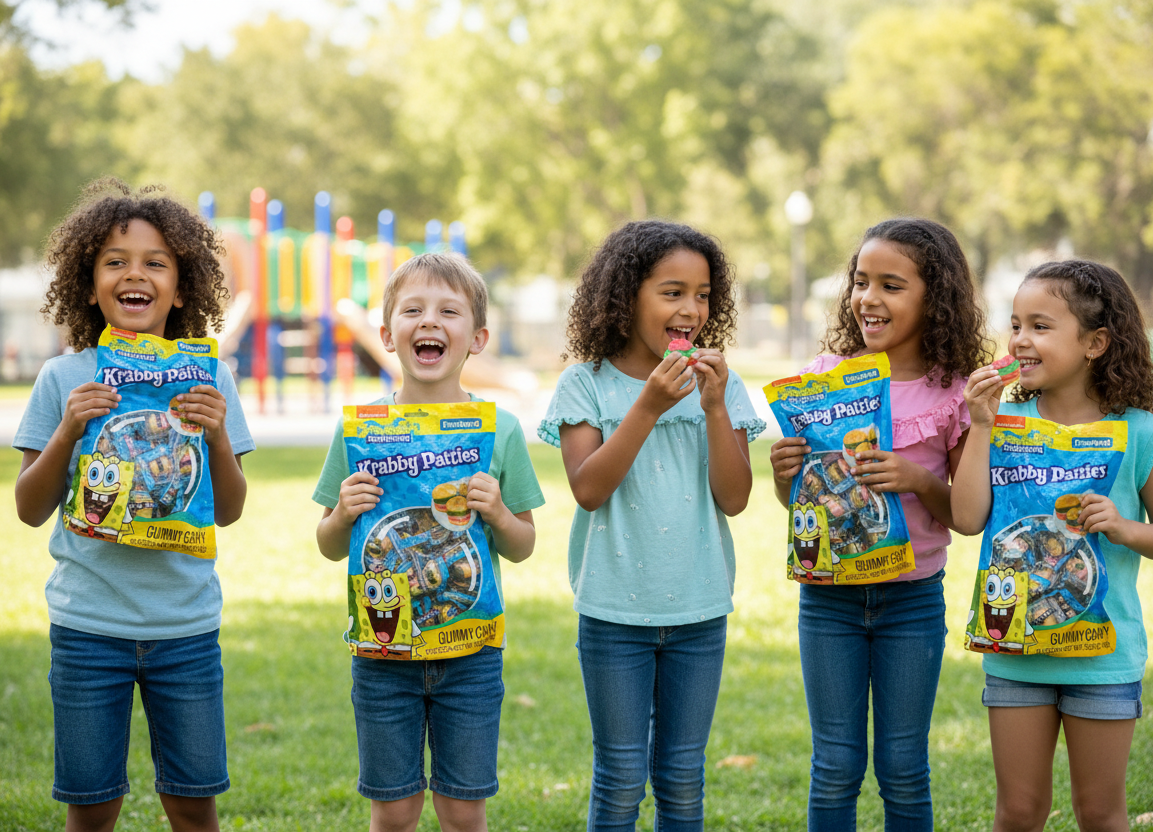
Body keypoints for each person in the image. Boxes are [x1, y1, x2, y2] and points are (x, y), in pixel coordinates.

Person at [13, 178, 253, 832]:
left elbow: (229, 509)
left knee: (193, 805)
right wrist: (68, 430)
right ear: (89, 286)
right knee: (92, 809)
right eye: (114, 261)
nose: (134, 274)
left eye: (156, 263)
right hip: (88, 627)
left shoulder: (209, 378)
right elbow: (29, 507)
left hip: (186, 628)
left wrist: (217, 435)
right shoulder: (64, 377)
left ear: (182, 288)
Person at [538, 220, 766, 831]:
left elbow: (735, 497)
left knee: (683, 780)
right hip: (614, 614)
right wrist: (648, 405)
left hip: (699, 611)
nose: (691, 310)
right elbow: (588, 489)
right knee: (619, 780)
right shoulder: (586, 383)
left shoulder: (722, 387)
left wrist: (713, 408)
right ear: (625, 297)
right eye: (672, 292)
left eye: (703, 295)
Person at [770, 217, 992, 830]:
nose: (869, 298)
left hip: (912, 602)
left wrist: (918, 479)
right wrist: (786, 475)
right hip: (829, 603)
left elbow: (966, 517)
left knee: (903, 767)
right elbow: (803, 506)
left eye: (891, 286)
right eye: (861, 281)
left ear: (935, 299)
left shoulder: (953, 395)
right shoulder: (825, 376)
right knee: (834, 765)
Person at [953, 260, 1153, 832]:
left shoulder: (1139, 432)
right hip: (1015, 650)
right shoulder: (1000, 421)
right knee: (1018, 812)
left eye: (1040, 326)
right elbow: (966, 518)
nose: (1019, 339)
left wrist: (1124, 527)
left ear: (1095, 343)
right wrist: (979, 426)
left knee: (1101, 814)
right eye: (1015, 324)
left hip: (1104, 658)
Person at [313, 252, 544, 832]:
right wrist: (343, 513)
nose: (430, 321)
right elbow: (329, 544)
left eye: (449, 311)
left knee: (463, 811)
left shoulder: (501, 429)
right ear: (386, 335)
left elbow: (522, 545)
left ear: (478, 338)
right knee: (393, 811)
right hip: (382, 652)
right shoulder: (358, 430)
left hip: (470, 656)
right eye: (412, 310)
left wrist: (498, 513)